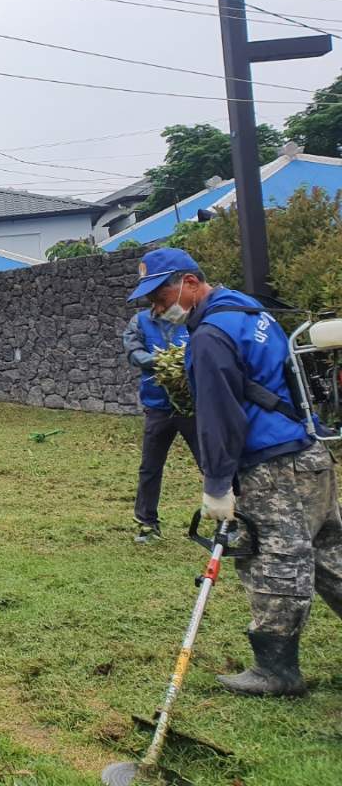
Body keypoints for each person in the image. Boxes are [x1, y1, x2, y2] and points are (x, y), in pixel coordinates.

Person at [130, 247, 342, 697]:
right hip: (308, 451)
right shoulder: (250, 309)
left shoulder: (209, 336)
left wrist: (217, 484)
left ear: (189, 282)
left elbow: (219, 414)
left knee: (274, 562)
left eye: (161, 293)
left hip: (271, 464)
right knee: (329, 553)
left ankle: (276, 670)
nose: (157, 306)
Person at [122, 302, 200, 544]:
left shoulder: (190, 318)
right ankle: (147, 524)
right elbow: (133, 352)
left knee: (211, 464)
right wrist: (162, 360)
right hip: (157, 407)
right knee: (150, 468)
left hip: (190, 407)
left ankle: (229, 521)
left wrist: (186, 361)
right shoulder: (140, 321)